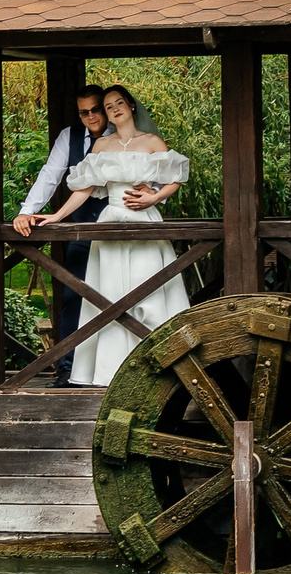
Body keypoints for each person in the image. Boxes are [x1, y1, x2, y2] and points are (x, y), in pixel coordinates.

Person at [34, 84, 190, 387]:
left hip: (144, 219)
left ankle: (160, 367)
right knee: (110, 293)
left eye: (119, 103)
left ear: (131, 106)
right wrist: (56, 216)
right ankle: (111, 370)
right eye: (108, 106)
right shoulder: (102, 147)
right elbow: (85, 188)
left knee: (149, 289)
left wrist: (153, 198)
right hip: (110, 221)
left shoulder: (152, 141)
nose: (114, 109)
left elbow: (175, 179)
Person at [12, 86, 108, 381]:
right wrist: (27, 210)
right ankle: (69, 367)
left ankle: (109, 366)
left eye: (95, 109)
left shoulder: (123, 133)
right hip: (80, 222)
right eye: (84, 112)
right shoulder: (70, 136)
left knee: (117, 291)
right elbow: (50, 174)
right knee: (73, 294)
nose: (90, 116)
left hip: (116, 222)